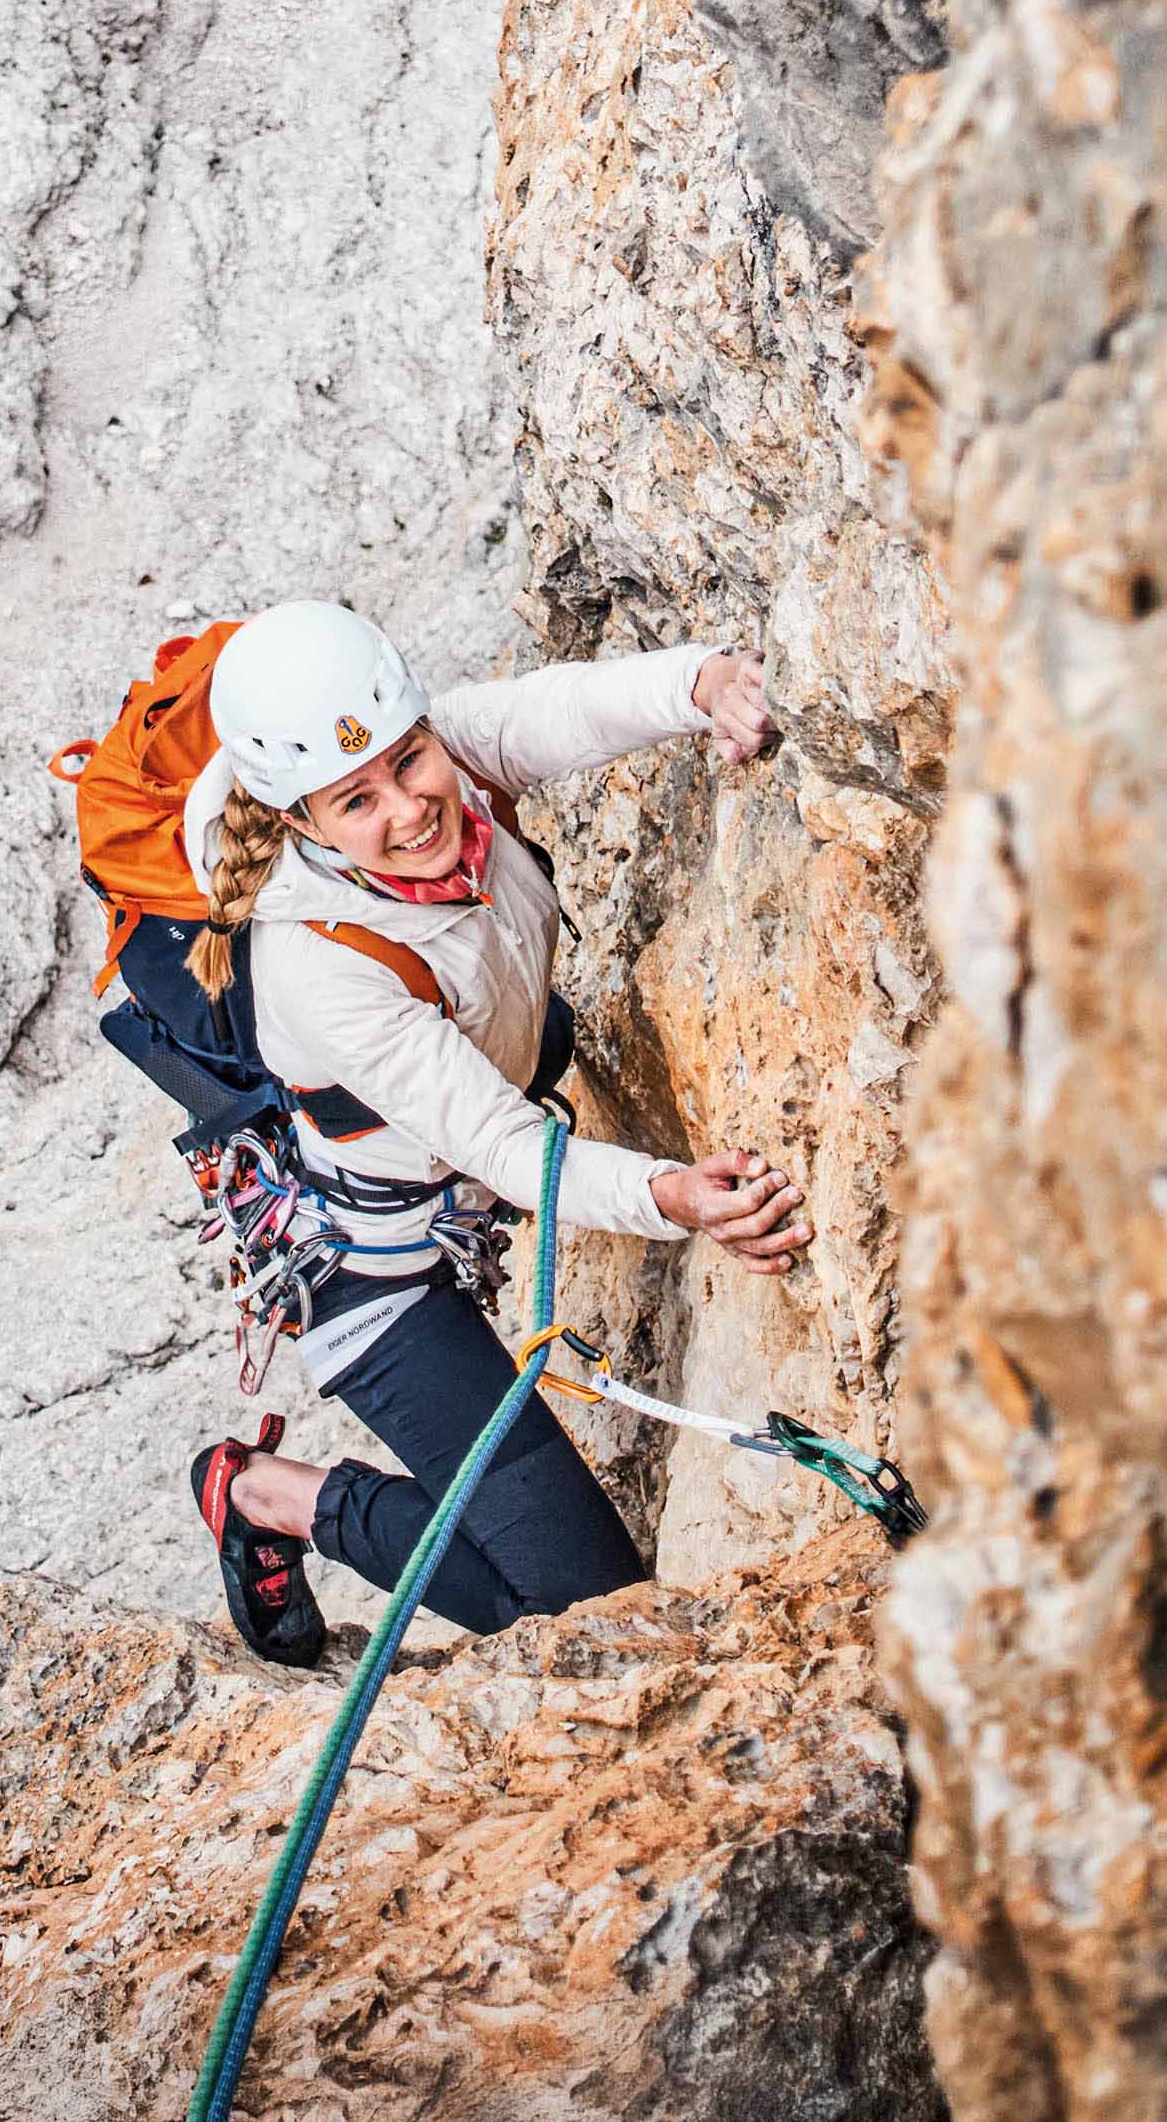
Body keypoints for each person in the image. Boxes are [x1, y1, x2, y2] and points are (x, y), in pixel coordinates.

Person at [184, 599, 810, 1658]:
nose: (410, 807)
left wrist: (704, 682)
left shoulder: (440, 760)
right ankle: (269, 1498)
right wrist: (674, 1197)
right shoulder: (319, 965)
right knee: (586, 1610)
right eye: (356, 800)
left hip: (444, 1181)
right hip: (370, 1283)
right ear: (297, 823)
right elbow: (507, 1146)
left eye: (411, 760)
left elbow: (551, 714)